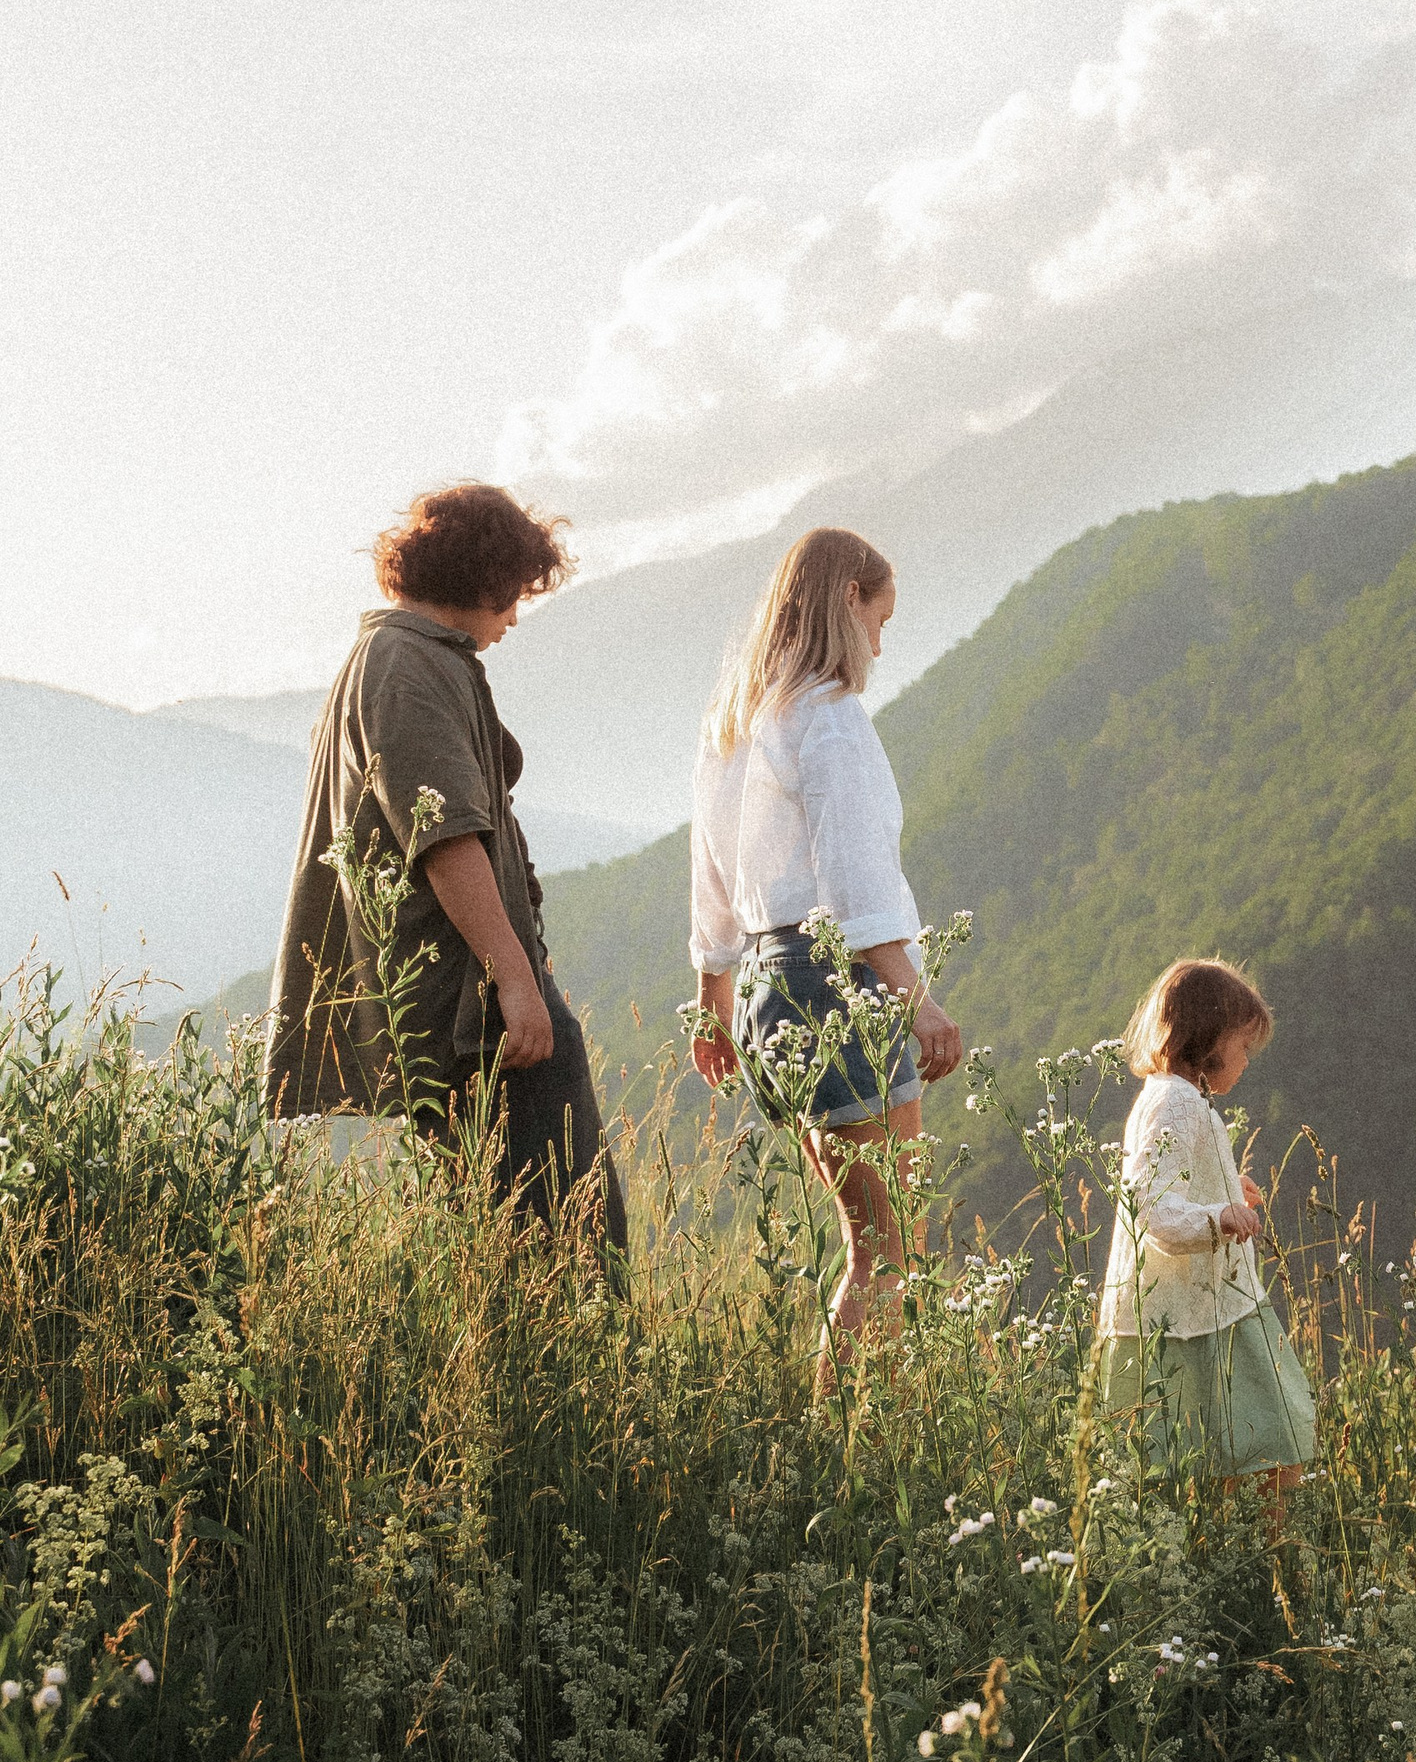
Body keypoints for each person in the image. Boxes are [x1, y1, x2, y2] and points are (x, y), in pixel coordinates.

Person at [266, 481, 627, 1274]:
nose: (515, 616)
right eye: (515, 591)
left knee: (515, 1238)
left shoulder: (399, 656)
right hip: (474, 1012)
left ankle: (529, 1352)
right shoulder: (406, 664)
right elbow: (445, 838)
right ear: (483, 574)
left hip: (466, 1003)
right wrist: (516, 981)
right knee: (570, 1239)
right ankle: (570, 1354)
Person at [687, 528, 963, 1385]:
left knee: (871, 1241)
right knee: (886, 1250)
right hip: (835, 979)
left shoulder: (736, 721)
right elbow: (853, 879)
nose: (880, 641)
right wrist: (917, 999)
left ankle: (858, 1426)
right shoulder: (828, 718)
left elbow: (711, 880)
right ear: (849, 599)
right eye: (881, 618)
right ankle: (851, 1437)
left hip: (767, 986)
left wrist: (714, 1004)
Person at [1095, 957, 1317, 1507]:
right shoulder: (1176, 1103)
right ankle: (1266, 1551)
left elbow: (1171, 1180)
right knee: (1274, 1444)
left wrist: (1223, 1187)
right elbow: (1150, 1205)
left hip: (1198, 1310)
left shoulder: (1172, 1097)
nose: (1245, 1060)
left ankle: (1233, 1544)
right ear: (1211, 1039)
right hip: (1196, 1315)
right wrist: (1216, 1218)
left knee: (1220, 1456)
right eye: (1242, 1045)